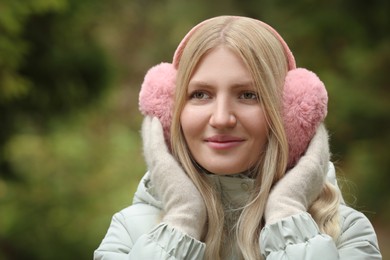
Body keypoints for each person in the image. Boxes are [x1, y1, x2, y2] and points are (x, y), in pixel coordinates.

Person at [94, 16, 381, 259]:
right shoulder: (129, 232)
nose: (221, 118)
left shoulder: (347, 233)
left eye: (248, 95)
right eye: (200, 95)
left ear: (290, 114)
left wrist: (288, 221)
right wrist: (181, 223)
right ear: (170, 112)